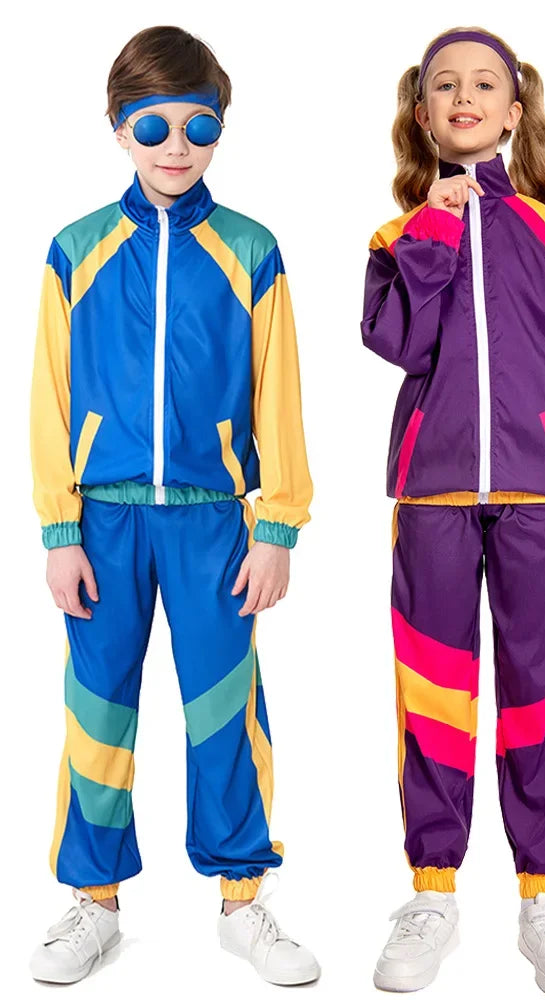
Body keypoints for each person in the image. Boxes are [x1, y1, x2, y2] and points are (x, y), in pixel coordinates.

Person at [28, 25, 318, 986]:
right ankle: (93, 901)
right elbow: (48, 397)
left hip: (214, 521)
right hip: (103, 521)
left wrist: (276, 525)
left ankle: (243, 898)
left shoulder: (250, 250)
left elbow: (279, 396)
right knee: (96, 708)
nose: (176, 146)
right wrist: (59, 528)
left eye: (200, 126)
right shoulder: (77, 249)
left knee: (224, 710)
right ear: (120, 128)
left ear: (220, 127)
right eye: (153, 126)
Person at [361, 26, 545, 998]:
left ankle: (543, 897)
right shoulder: (396, 240)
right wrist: (432, 227)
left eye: (484, 85)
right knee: (432, 696)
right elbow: (395, 340)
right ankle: (431, 892)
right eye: (445, 86)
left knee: (539, 693)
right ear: (422, 112)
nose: (464, 97)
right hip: (431, 497)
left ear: (514, 112)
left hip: (538, 501)